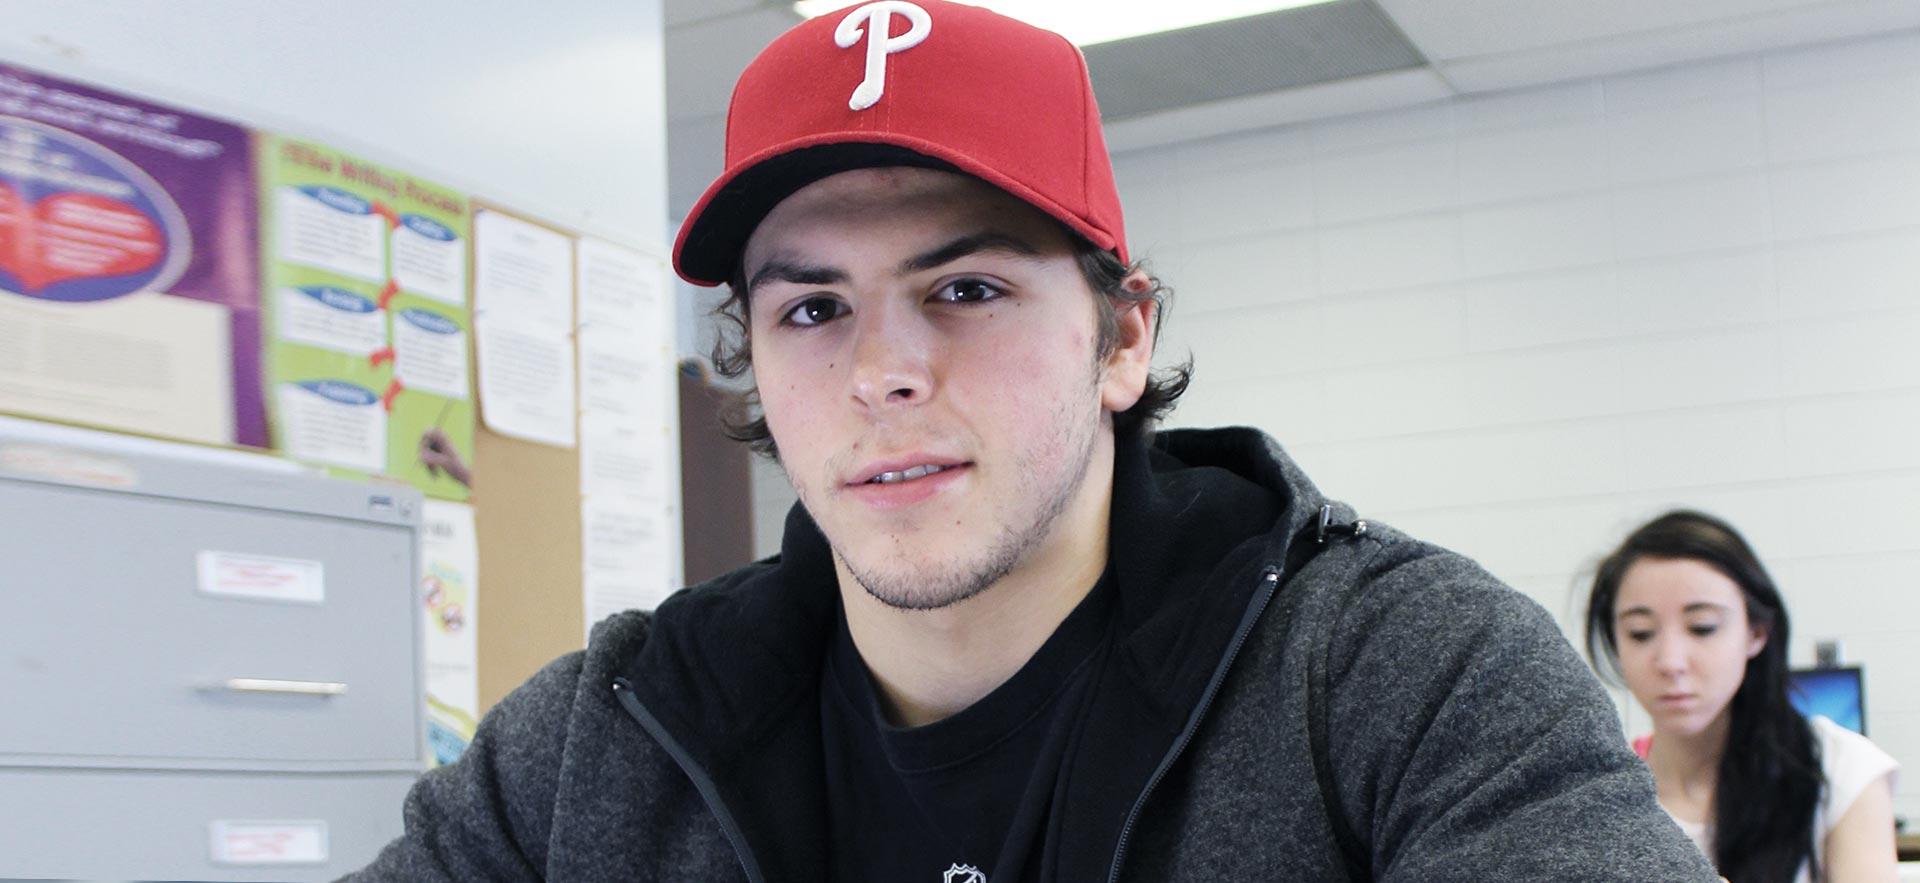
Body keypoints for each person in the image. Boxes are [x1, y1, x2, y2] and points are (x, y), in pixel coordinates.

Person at [349, 3, 1717, 880]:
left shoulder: (1394, 671)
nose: (884, 369)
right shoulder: (601, 742)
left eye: (968, 289)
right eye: (814, 305)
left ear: (1123, 335)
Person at [1586, 510, 1900, 882]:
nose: (1670, 662)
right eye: (1640, 633)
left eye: (1702, 628)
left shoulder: (1840, 770)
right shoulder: (1604, 796)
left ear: (1756, 633)